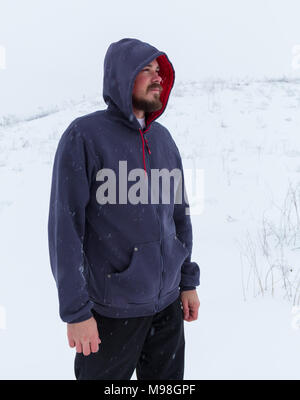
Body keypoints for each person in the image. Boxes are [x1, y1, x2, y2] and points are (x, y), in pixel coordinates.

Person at [48, 38, 200, 380]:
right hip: (111, 314)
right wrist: (75, 312)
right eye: (145, 70)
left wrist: (187, 280)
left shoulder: (163, 140)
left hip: (167, 310)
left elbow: (180, 217)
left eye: (158, 71)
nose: (156, 77)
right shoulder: (84, 136)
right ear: (120, 77)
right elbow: (65, 228)